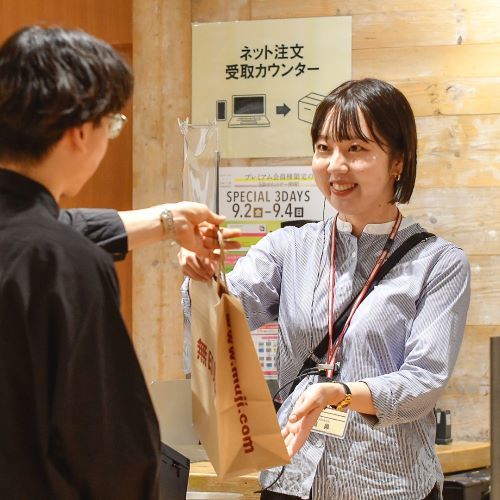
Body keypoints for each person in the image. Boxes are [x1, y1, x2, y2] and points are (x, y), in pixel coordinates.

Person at [180, 79, 471, 499]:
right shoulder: (288, 247)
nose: (335, 165)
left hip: (386, 485)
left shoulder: (439, 262)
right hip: (290, 479)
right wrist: (202, 277)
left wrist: (344, 394)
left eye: (356, 149)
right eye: (323, 148)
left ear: (398, 162)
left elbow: (423, 381)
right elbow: (218, 321)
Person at [0, 25, 235, 499]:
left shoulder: (42, 244)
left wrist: (168, 220)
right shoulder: (68, 264)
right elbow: (111, 448)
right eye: (111, 125)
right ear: (80, 131)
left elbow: (49, 226)